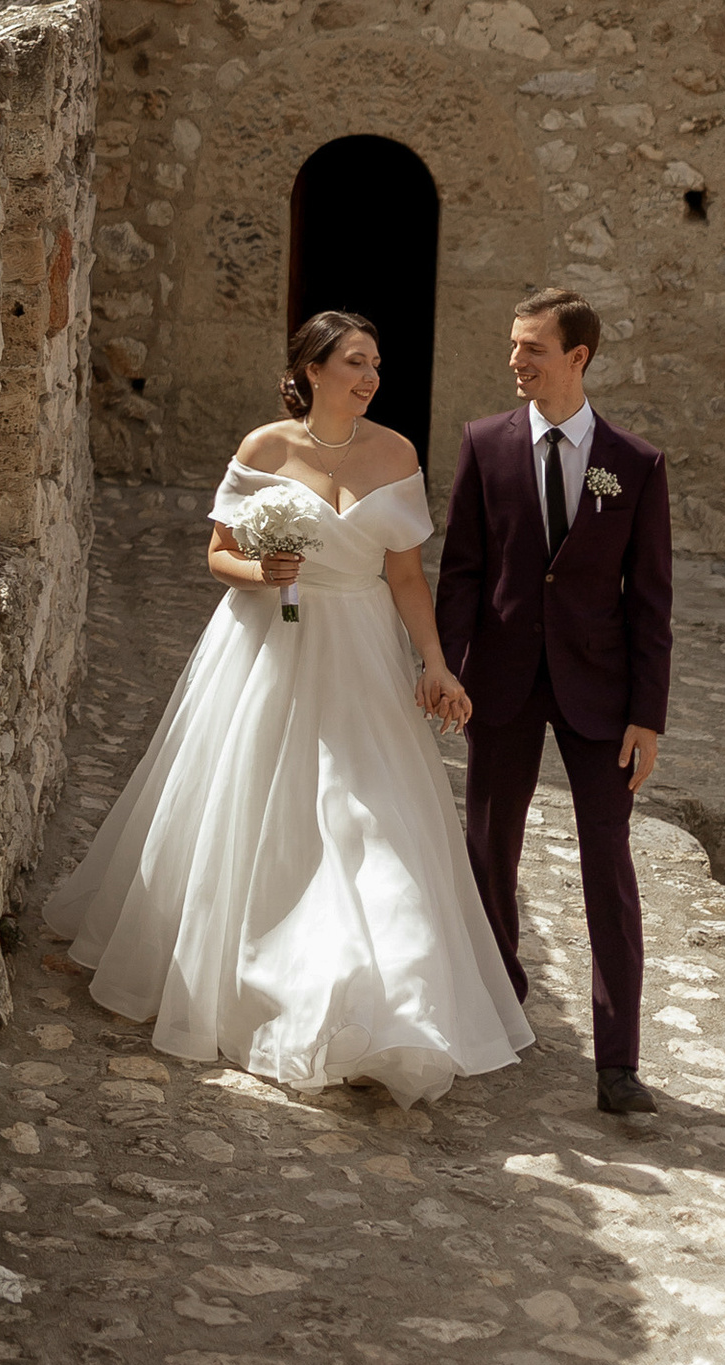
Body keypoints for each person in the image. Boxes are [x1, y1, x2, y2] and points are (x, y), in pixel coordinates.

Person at [45, 309, 532, 1104]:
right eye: (354, 362)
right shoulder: (264, 449)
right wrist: (262, 575)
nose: (370, 377)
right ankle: (265, 976)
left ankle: (392, 1007)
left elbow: (406, 577)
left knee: (372, 820)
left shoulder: (397, 452)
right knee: (261, 812)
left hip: (364, 651)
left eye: (377, 363)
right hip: (267, 647)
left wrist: (436, 664)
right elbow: (217, 554)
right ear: (312, 370)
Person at [436, 288, 672, 1119]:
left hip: (600, 696)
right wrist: (448, 670)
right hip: (499, 681)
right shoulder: (484, 445)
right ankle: (501, 996)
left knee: (608, 866)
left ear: (578, 356)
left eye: (532, 347)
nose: (515, 361)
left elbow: (650, 602)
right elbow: (463, 569)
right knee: (487, 851)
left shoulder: (635, 464)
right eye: (512, 345)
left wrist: (649, 714)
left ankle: (618, 1064)